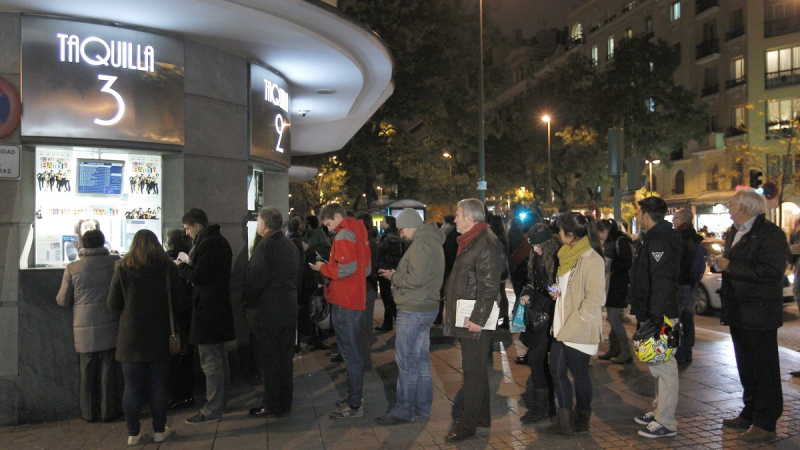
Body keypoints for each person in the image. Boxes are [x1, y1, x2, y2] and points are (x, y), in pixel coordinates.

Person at [714, 188, 787, 442]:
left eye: (731, 204)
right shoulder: (736, 231)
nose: (729, 207)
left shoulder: (770, 234)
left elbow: (771, 272)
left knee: (764, 368)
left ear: (744, 208)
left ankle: (766, 422)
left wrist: (731, 266)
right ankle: (750, 410)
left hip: (760, 313)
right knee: (746, 365)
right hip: (739, 311)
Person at [107, 230, 184, 446]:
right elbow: (179, 300)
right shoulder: (168, 267)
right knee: (159, 385)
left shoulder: (122, 267)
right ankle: (159, 430)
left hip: (130, 337)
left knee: (131, 387)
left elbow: (113, 304)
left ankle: (134, 434)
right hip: (160, 334)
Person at [375, 209, 445, 425]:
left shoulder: (422, 244)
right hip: (425, 305)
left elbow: (415, 279)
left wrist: (395, 276)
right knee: (421, 360)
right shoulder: (431, 241)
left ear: (412, 225)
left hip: (414, 308)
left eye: (403, 229)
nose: (402, 234)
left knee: (407, 362)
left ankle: (404, 409)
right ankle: (423, 405)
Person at [539, 212, 605, 436]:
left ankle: (582, 420)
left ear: (569, 233)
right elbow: (569, 288)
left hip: (578, 327)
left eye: (560, 230)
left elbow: (596, 298)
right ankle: (565, 423)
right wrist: (559, 293)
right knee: (556, 371)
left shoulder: (591, 258)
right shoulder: (565, 254)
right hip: (561, 325)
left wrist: (579, 319)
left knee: (580, 375)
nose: (558, 234)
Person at [441, 198, 501, 442]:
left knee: (472, 372)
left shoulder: (483, 242)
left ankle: (467, 425)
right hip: (470, 314)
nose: (454, 218)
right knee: (476, 370)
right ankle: (482, 416)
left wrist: (477, 318)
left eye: (458, 214)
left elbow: (489, 286)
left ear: (470, 218)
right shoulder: (473, 240)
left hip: (474, 318)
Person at [175, 208, 236, 425]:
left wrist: (181, 266)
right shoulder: (216, 241)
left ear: (198, 226)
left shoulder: (209, 244)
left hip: (208, 312)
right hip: (216, 310)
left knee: (211, 362)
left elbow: (199, 276)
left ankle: (212, 408)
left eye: (188, 229)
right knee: (218, 359)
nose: (187, 233)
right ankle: (219, 403)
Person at [310, 203, 371, 419]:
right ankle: (355, 397)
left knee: (350, 354)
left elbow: (346, 268)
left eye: (328, 223)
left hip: (344, 300)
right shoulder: (359, 232)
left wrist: (323, 268)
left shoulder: (344, 234)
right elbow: (366, 269)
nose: (328, 229)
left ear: (337, 216)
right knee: (353, 352)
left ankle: (355, 403)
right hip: (355, 299)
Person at [629, 196, 682, 438]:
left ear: (646, 215)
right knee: (658, 364)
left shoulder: (660, 239)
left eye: (641, 214)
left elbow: (661, 280)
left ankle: (667, 421)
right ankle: (660, 409)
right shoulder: (657, 237)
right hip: (659, 311)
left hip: (663, 314)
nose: (639, 218)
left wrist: (656, 315)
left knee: (665, 365)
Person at [56, 229, 121, 423]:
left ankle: (88, 413)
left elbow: (63, 300)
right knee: (109, 366)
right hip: (110, 320)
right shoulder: (115, 262)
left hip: (84, 324)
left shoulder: (73, 268)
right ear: (103, 243)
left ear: (82, 244)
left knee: (87, 368)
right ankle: (108, 411)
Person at [243, 207, 301, 418]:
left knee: (268, 360)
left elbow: (254, 281)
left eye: (258, 221)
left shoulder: (264, 247)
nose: (258, 225)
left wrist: (247, 302)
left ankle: (272, 403)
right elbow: (298, 276)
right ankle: (286, 400)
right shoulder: (290, 245)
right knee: (285, 358)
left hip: (268, 312)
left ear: (264, 224)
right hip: (288, 308)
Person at [516, 223, 559, 424]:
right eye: (533, 246)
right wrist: (526, 294)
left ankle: (544, 406)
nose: (535, 250)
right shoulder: (535, 258)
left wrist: (556, 292)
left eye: (539, 246)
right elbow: (531, 282)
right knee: (537, 359)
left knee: (537, 358)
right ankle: (547, 404)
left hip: (551, 313)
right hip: (538, 313)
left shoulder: (558, 258)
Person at [596, 219, 633, 364]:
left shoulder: (617, 241)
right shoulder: (615, 240)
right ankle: (614, 349)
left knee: (613, 318)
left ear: (605, 230)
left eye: (599, 233)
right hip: (614, 284)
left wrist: (613, 267)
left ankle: (625, 351)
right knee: (612, 318)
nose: (599, 237)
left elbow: (623, 263)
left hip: (617, 285)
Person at [165, 229, 195, 410]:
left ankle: (176, 395)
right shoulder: (190, 256)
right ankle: (188, 394)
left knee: (173, 357)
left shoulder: (167, 260)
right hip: (188, 312)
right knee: (187, 356)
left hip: (172, 315)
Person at [672, 208, 703, 365]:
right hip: (691, 283)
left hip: (680, 283)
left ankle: (677, 350)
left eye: (675, 217)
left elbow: (675, 262)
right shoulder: (695, 238)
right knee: (688, 318)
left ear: (682, 220)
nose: (673, 220)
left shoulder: (680, 238)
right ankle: (688, 349)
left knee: (674, 319)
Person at [355, 212, 379, 370]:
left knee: (362, 326)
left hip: (365, 287)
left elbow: (366, 268)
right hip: (368, 286)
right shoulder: (370, 242)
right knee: (365, 325)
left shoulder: (365, 243)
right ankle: (365, 359)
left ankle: (365, 361)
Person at [376, 215, 404, 331]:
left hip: (386, 270)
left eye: (383, 221)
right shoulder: (396, 236)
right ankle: (390, 320)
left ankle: (388, 322)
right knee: (390, 296)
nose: (381, 223)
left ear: (387, 224)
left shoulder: (388, 237)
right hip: (394, 268)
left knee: (386, 296)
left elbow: (379, 249)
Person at [435, 214, 459, 325]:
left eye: (443, 223)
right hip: (449, 269)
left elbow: (450, 254)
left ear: (448, 224)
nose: (442, 226)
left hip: (448, 270)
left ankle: (444, 318)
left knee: (446, 294)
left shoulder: (450, 236)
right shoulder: (451, 235)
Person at [489, 215, 511, 329]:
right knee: (502, 294)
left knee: (498, 295)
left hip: (497, 270)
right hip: (503, 270)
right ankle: (505, 318)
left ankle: (498, 318)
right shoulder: (503, 236)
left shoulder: (496, 238)